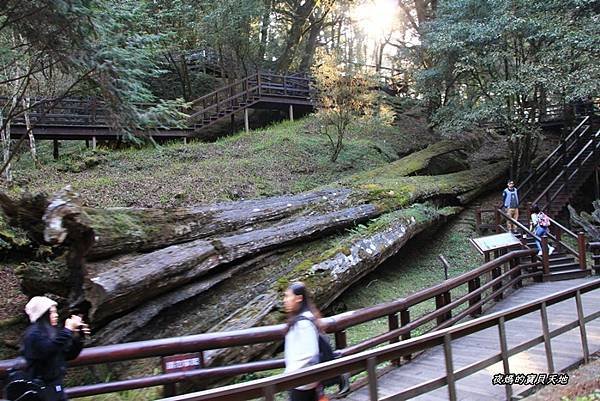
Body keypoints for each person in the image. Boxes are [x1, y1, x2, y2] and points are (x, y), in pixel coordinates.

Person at [21, 296, 89, 401]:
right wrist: (67, 330)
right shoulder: (32, 334)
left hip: (55, 386)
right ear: (43, 314)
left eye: (55, 312)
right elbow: (47, 350)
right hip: (40, 388)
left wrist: (79, 337)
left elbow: (69, 355)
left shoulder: (53, 332)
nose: (56, 315)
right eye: (52, 312)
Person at [283, 282, 320, 401]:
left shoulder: (304, 323)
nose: (285, 300)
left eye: (288, 296)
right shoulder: (303, 318)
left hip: (302, 382)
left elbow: (310, 353)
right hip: (302, 381)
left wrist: (289, 375)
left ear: (299, 298)